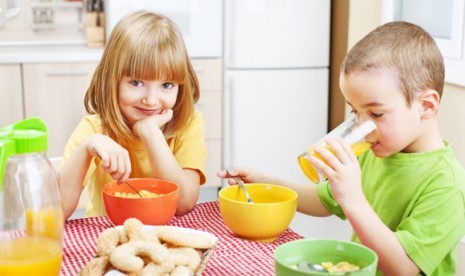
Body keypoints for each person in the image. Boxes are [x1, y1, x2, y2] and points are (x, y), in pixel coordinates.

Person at [219, 21, 465, 275]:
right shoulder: (375, 151)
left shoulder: (447, 185)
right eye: (355, 111)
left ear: (426, 105)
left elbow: (403, 268)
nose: (361, 126)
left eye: (376, 113)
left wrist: (353, 199)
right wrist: (265, 182)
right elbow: (324, 200)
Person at [59, 11, 206, 219]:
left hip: (167, 237)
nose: (151, 100)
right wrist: (86, 148)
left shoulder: (188, 124)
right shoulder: (95, 130)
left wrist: (150, 132)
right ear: (112, 80)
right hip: (109, 234)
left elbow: (183, 204)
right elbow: (56, 211)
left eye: (166, 85)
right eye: (136, 83)